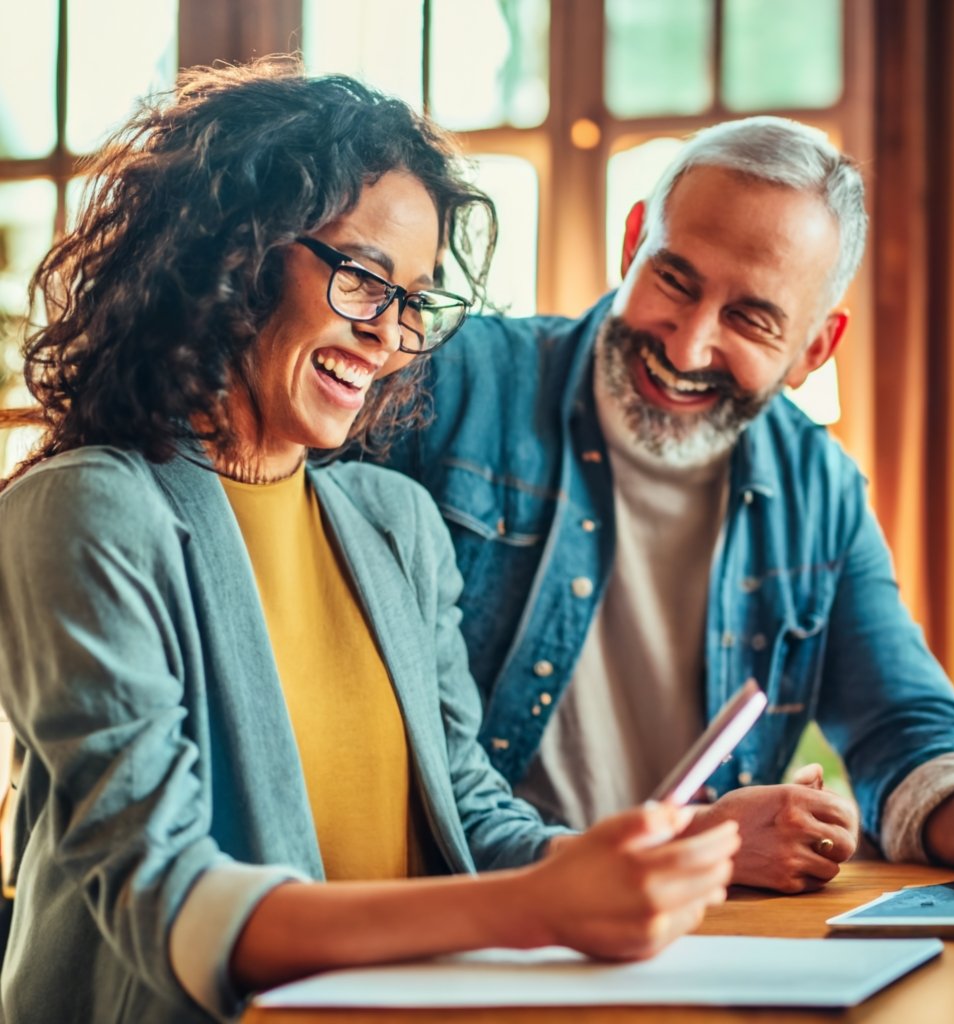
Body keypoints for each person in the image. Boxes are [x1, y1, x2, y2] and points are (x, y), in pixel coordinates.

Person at [0, 60, 740, 1024]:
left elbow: (467, 815)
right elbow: (166, 898)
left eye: (415, 302)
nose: (390, 337)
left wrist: (640, 858)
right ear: (233, 250)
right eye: (362, 278)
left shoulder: (396, 524)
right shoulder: (88, 511)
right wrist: (534, 907)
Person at [366, 115, 954, 894]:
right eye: (675, 279)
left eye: (750, 318)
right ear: (633, 241)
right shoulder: (445, 383)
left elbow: (907, 732)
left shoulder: (822, 493)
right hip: (467, 920)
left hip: (695, 938)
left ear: (816, 347)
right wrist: (687, 843)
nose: (685, 348)